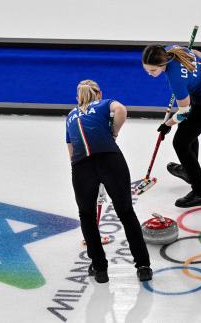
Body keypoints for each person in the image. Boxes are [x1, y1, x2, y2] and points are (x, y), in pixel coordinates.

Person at [66, 79, 152, 283]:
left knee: (86, 216)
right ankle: (143, 266)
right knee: (125, 212)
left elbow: (70, 146)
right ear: (99, 94)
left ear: (78, 98)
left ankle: (99, 268)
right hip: (110, 160)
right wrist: (114, 131)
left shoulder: (70, 116)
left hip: (82, 166)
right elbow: (121, 110)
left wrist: (81, 172)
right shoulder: (104, 104)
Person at [141, 44, 201, 208]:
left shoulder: (175, 78)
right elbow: (192, 51)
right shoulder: (171, 49)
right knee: (188, 135)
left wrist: (167, 124)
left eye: (152, 71)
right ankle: (189, 170)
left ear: (162, 64)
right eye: (146, 70)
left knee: (180, 143)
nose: (149, 74)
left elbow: (184, 111)